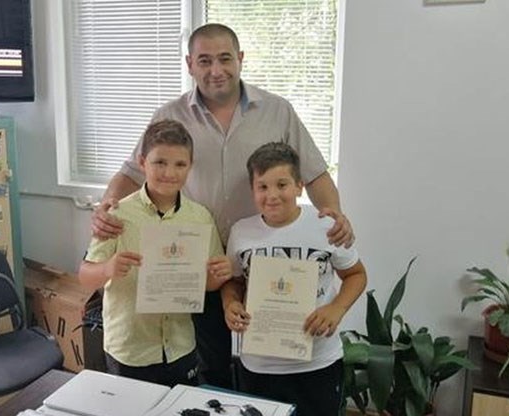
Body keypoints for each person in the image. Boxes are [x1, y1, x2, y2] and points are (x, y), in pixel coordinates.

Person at [91, 23, 355, 388]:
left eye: (225, 58)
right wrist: (107, 205)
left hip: (262, 260)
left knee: (268, 362)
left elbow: (314, 174)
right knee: (207, 361)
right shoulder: (169, 115)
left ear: (240, 59)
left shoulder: (277, 111)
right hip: (198, 266)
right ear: (190, 64)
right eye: (204, 60)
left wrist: (334, 219)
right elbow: (131, 173)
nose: (216, 69)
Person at [78, 119, 232, 387]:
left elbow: (207, 284)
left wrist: (219, 274)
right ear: (142, 162)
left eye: (180, 164)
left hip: (180, 346)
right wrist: (107, 268)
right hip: (130, 347)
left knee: (179, 405)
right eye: (160, 162)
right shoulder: (117, 214)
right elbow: (84, 276)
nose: (169, 173)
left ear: (190, 166)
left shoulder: (200, 217)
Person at [221, 142, 367, 416]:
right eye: (262, 187)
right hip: (258, 364)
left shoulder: (327, 227)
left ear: (299, 186)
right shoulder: (241, 232)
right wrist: (230, 304)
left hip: (318, 362)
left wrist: (337, 308)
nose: (272, 195)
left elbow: (356, 274)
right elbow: (234, 281)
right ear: (252, 190)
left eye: (282, 185)